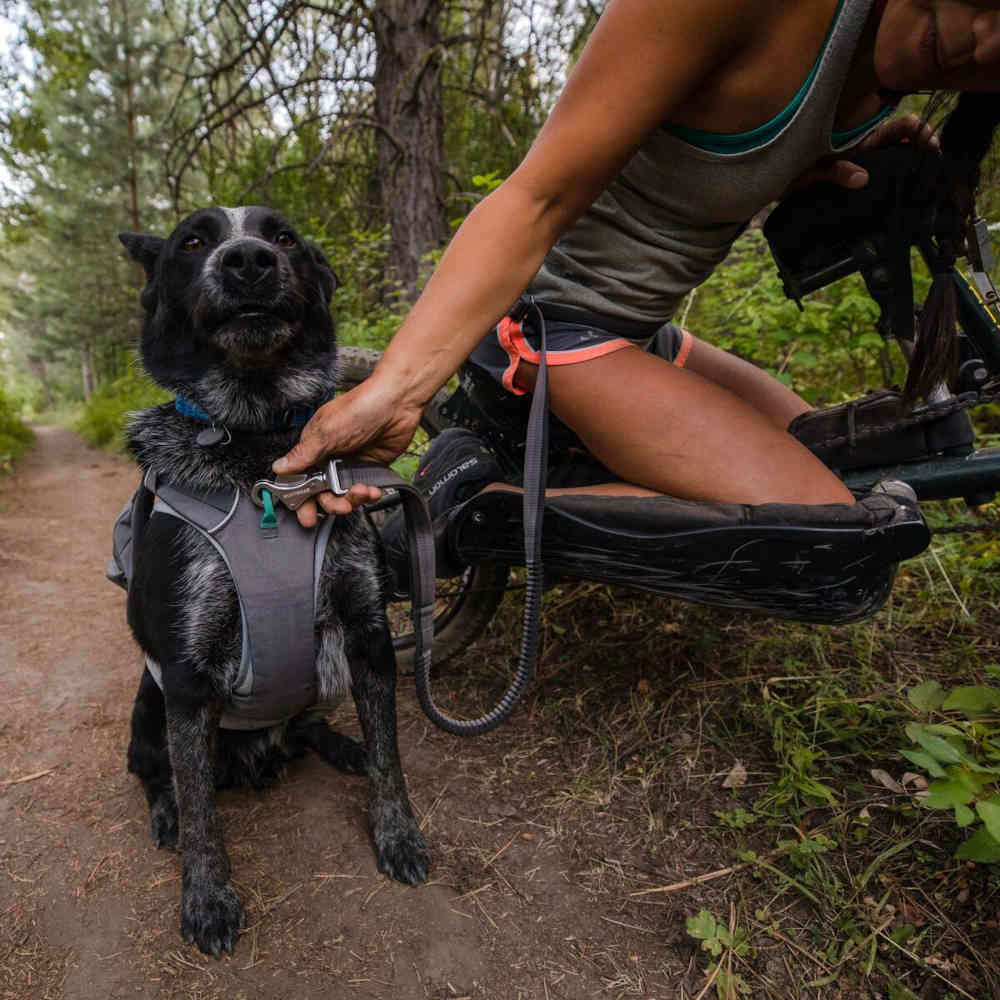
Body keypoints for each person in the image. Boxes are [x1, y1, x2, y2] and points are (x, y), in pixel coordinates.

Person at [275, 0, 1000, 530]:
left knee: (836, 456)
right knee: (828, 525)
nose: (986, 44)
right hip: (540, 329)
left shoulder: (900, 65)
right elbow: (535, 198)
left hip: (642, 338)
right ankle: (463, 507)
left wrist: (819, 167)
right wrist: (396, 392)